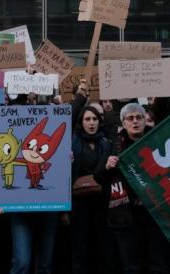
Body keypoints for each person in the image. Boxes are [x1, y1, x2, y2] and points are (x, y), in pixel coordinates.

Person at [95, 103, 170, 274]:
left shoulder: (156, 142)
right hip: (125, 216)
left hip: (155, 213)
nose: (135, 121)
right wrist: (107, 166)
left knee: (158, 264)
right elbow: (98, 177)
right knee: (132, 266)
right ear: (123, 123)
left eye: (139, 117)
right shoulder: (113, 145)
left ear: (146, 121)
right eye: (130, 118)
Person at [71, 106, 111, 274]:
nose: (91, 123)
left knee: (101, 245)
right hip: (80, 204)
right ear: (81, 122)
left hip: (102, 203)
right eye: (87, 119)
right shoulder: (73, 142)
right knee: (81, 246)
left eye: (94, 119)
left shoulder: (106, 143)